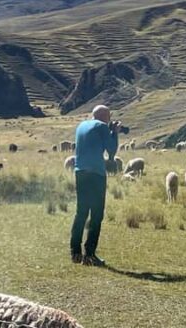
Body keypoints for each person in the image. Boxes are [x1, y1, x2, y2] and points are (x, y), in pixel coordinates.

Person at [69, 104, 119, 266]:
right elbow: (111, 150)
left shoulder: (81, 125)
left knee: (81, 212)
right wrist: (115, 133)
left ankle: (75, 252)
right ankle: (89, 254)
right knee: (97, 214)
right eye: (109, 116)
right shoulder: (102, 126)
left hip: (80, 172)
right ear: (106, 116)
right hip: (96, 174)